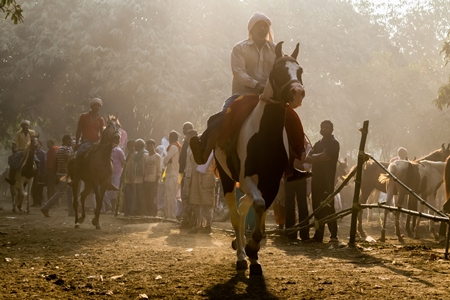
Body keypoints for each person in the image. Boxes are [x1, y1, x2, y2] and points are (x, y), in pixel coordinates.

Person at [190, 11, 309, 181]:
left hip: (268, 96)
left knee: (291, 118)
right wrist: (257, 85)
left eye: (266, 26)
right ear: (251, 29)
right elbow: (238, 73)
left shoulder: (275, 51)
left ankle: (292, 164)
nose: (263, 28)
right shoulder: (240, 48)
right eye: (260, 25)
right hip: (243, 93)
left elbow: (279, 73)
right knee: (224, 116)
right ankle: (203, 149)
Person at [305, 120, 340, 243]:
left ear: (332, 129)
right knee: (316, 207)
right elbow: (307, 158)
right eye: (322, 127)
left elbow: (324, 156)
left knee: (328, 207)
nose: (324, 129)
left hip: (328, 180)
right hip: (316, 179)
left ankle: (333, 235)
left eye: (327, 127)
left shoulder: (334, 144)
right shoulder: (317, 144)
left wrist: (315, 157)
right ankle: (318, 235)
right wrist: (317, 157)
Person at [285, 137, 312, 241]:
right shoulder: (286, 143)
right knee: (289, 204)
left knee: (302, 204)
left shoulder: (307, 146)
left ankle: (304, 233)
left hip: (301, 177)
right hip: (289, 177)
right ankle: (290, 233)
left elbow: (309, 162)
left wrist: (299, 167)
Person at [40, 135, 74, 217]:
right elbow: (69, 159)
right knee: (61, 191)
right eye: (70, 140)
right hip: (65, 173)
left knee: (70, 192)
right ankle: (46, 207)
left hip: (61, 173)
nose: (71, 142)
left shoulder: (60, 149)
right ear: (66, 140)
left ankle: (71, 211)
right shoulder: (66, 149)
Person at [5, 120, 36, 185]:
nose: (25, 126)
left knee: (38, 161)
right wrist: (14, 148)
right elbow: (14, 142)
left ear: (28, 126)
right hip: (20, 151)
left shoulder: (32, 133)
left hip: (29, 151)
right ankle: (12, 178)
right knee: (13, 160)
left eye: (27, 125)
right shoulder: (18, 133)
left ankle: (38, 178)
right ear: (22, 126)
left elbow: (34, 141)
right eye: (24, 125)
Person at [179, 122, 195, 228]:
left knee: (190, 197)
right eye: (184, 128)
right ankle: (184, 219)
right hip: (182, 173)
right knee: (183, 196)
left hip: (190, 174)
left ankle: (189, 220)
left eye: (188, 129)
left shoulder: (193, 143)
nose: (185, 130)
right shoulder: (184, 142)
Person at [102, 144, 125, 213]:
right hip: (107, 174)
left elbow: (123, 161)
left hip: (117, 173)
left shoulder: (118, 151)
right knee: (105, 191)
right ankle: (109, 207)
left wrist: (123, 173)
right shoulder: (105, 151)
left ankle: (114, 208)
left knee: (114, 192)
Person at [164, 131, 181, 219]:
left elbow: (166, 160)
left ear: (171, 138)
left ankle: (171, 216)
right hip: (173, 174)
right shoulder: (176, 147)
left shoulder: (173, 147)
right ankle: (168, 215)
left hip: (172, 174)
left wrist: (166, 160)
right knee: (169, 195)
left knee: (171, 196)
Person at [144, 139, 161, 216]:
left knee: (152, 198)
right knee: (147, 198)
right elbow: (145, 168)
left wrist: (156, 181)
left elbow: (159, 169)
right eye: (148, 146)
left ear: (154, 146)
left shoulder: (157, 156)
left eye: (151, 145)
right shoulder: (146, 157)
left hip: (153, 180)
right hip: (147, 180)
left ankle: (153, 213)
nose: (150, 147)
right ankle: (148, 213)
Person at [132, 139, 148, 215]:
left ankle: (144, 212)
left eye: (136, 146)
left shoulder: (145, 154)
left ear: (141, 146)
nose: (135, 147)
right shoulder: (136, 155)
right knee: (136, 197)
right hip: (136, 179)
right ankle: (137, 211)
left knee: (142, 197)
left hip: (142, 179)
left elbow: (145, 167)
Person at [122, 139, 136, 216]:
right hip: (127, 178)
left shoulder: (134, 154)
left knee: (131, 195)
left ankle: (131, 211)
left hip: (132, 178)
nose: (128, 147)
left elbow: (132, 167)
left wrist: (131, 176)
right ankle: (127, 211)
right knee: (127, 195)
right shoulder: (128, 154)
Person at [31, 139, 46, 207]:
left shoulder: (43, 153)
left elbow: (44, 163)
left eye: (38, 144)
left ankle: (39, 202)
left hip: (40, 173)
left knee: (39, 188)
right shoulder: (32, 153)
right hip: (33, 173)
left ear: (40, 145)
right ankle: (34, 202)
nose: (37, 145)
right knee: (33, 188)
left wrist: (43, 173)